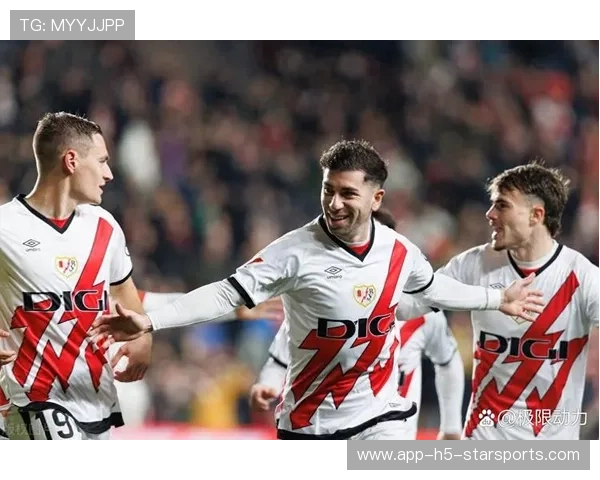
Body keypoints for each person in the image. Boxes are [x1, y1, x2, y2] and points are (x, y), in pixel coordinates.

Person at [90, 139, 544, 440]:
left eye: (347, 193)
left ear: (376, 199)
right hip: (311, 422)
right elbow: (226, 293)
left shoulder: (399, 251)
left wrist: (497, 299)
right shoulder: (293, 252)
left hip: (381, 415)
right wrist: (151, 321)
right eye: (328, 191)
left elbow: (434, 290)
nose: (334, 203)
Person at [396, 161, 600, 440]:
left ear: (536, 215)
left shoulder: (583, 277)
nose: (490, 214)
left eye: (502, 205)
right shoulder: (472, 264)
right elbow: (407, 307)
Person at [0, 112, 152, 440]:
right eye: (102, 161)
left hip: (94, 401)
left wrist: (143, 339)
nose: (109, 174)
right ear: (71, 161)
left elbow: (127, 298)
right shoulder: (5, 227)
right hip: (29, 400)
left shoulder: (105, 226)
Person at [249, 209, 465, 440]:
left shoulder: (423, 316)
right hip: (324, 430)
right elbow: (280, 360)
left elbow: (448, 360)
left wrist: (451, 426)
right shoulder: (315, 313)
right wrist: (267, 384)